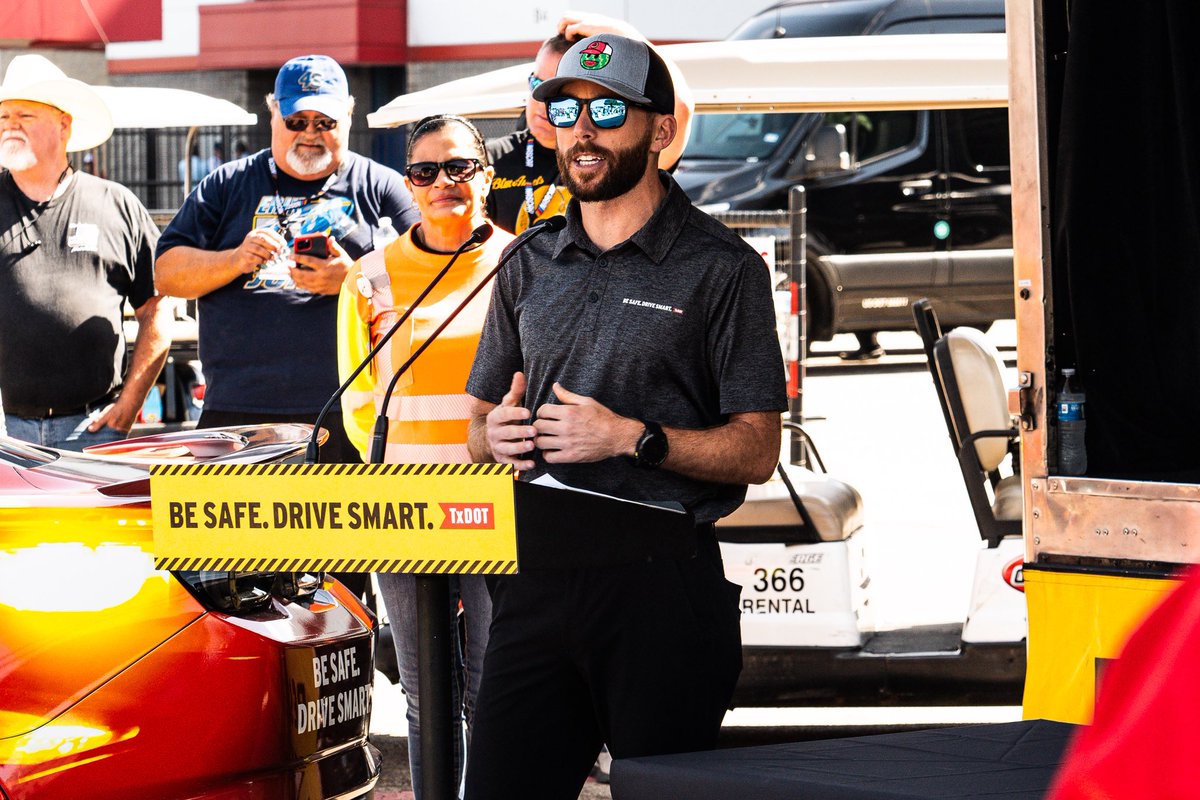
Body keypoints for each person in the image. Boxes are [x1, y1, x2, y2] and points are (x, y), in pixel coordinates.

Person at [463, 34, 787, 799]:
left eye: (608, 111)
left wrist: (631, 439)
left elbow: (757, 451)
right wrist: (492, 437)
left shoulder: (724, 269)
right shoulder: (528, 259)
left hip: (661, 582)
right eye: (564, 110)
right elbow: (477, 422)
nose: (583, 131)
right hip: (535, 572)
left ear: (662, 131)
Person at [337, 114, 513, 798]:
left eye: (460, 167)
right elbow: (356, 403)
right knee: (422, 693)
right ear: (409, 182)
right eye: (425, 171)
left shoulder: (522, 264)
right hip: (404, 510)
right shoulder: (369, 277)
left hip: (498, 506)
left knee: (493, 685)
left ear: (486, 175)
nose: (443, 183)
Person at [155, 54, 420, 464]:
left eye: (325, 122)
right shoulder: (226, 185)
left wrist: (353, 282)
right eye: (297, 121)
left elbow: (435, 280)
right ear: (274, 113)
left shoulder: (383, 187)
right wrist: (235, 260)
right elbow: (167, 274)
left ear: (348, 117)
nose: (310, 134)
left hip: (351, 408)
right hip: (239, 413)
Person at [0, 55, 171, 451]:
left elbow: (156, 308)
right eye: (4, 116)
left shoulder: (116, 205)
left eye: (24, 116)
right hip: (5, 433)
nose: (10, 126)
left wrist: (129, 405)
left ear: (64, 125)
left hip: (95, 430)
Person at [485, 12, 694, 234]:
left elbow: (678, 106)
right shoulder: (492, 157)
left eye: (563, 95)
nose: (542, 101)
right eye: (536, 83)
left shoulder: (621, 154)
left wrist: (624, 34)